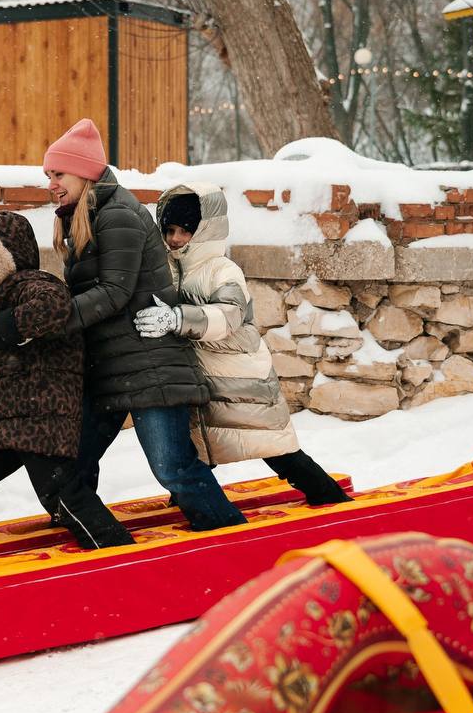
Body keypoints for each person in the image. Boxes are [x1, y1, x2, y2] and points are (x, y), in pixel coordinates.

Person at [46, 119, 247, 531]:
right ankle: (93, 541)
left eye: (58, 174)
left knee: (172, 468)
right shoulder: (86, 215)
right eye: (48, 175)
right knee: (71, 463)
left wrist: (52, 320)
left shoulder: (117, 213)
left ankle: (229, 535)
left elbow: (113, 291)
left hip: (148, 365)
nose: (51, 183)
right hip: (110, 368)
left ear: (84, 173)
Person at [133, 183, 352, 505]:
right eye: (170, 230)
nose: (176, 239)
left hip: (240, 377)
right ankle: (194, 503)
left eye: (186, 231)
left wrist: (177, 319)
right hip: (205, 378)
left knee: (276, 449)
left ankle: (329, 498)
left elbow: (230, 313)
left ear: (206, 230)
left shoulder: (222, 270)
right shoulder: (171, 269)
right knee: (196, 445)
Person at [0, 211, 135, 550]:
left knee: (61, 497)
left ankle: (116, 554)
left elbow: (53, 305)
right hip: (4, 425)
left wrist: (7, 328)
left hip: (41, 421)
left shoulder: (30, 285)